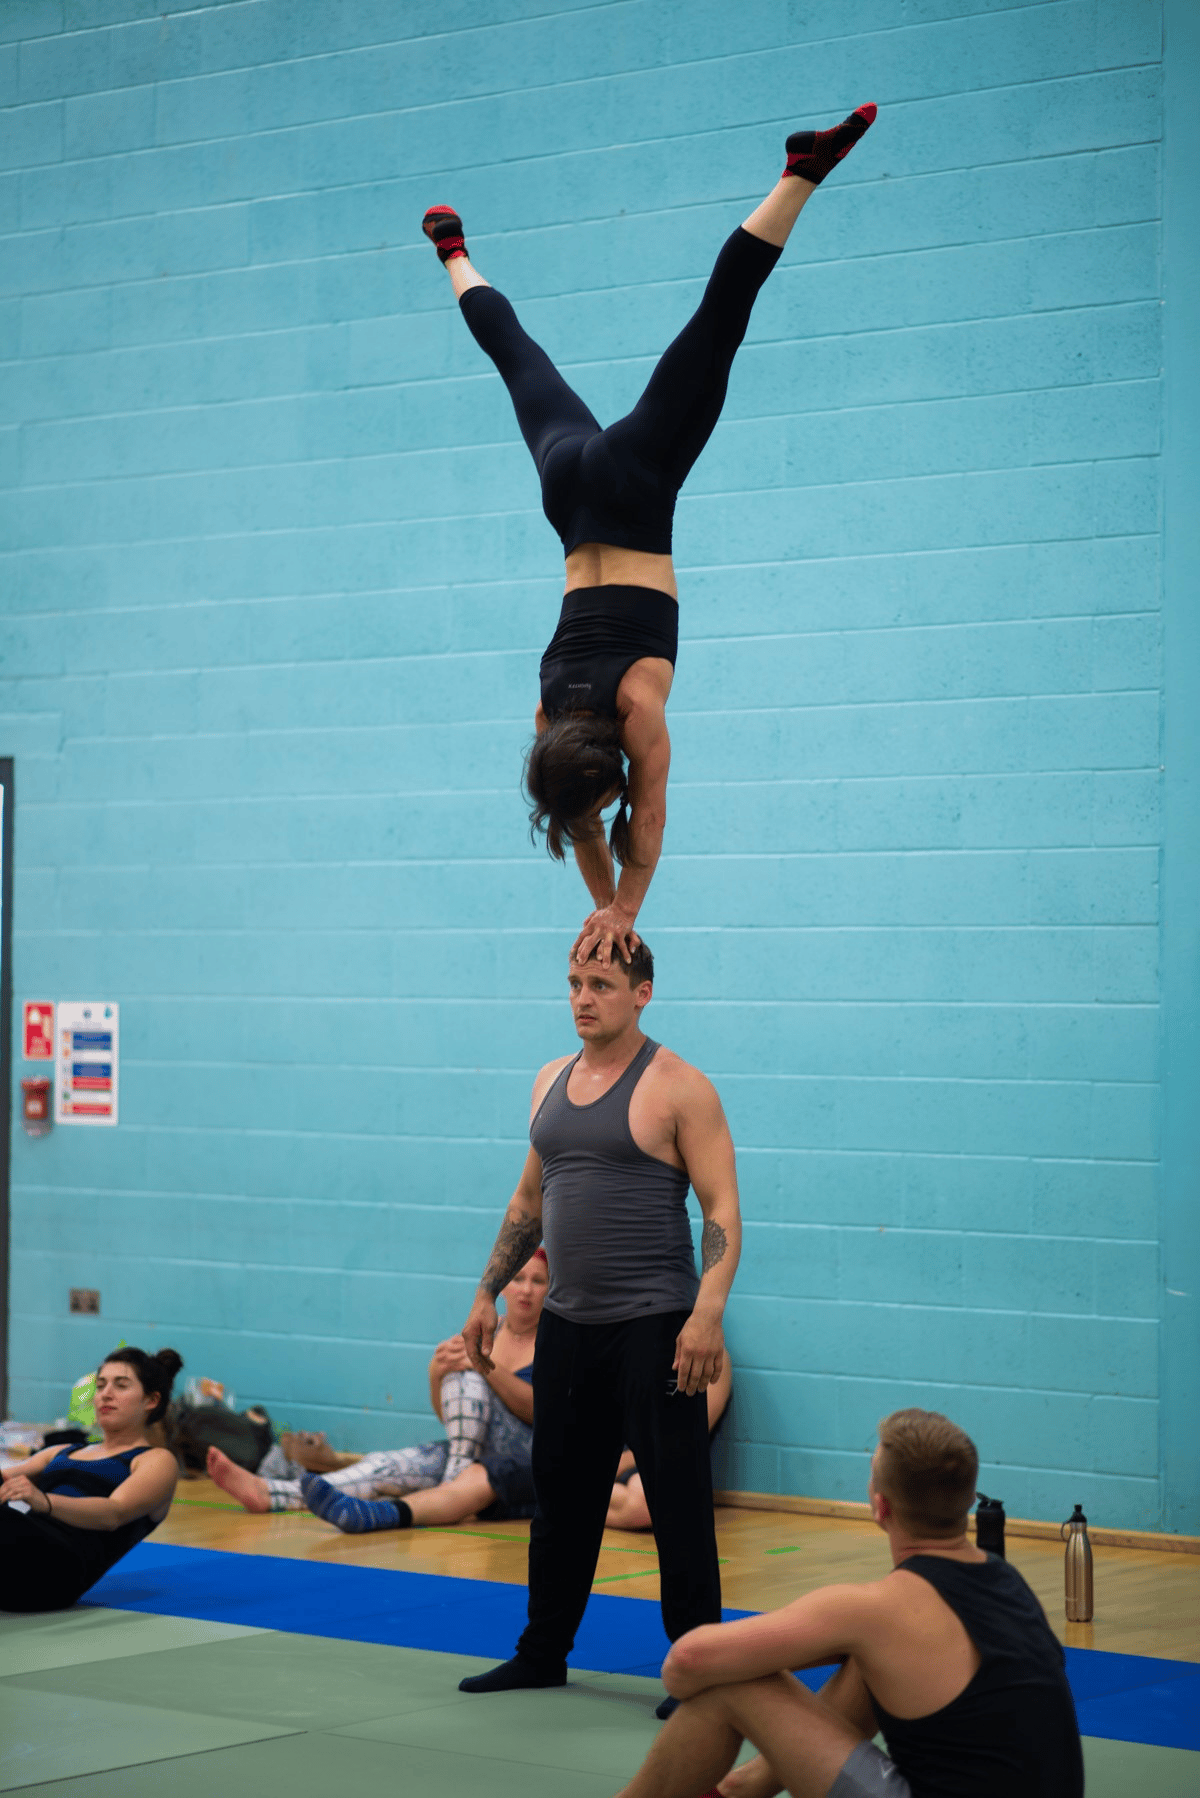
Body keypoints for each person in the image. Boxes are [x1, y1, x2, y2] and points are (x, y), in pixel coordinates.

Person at [422, 105, 877, 967]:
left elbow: (646, 822)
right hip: (568, 494)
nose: (595, 817)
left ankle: (801, 173)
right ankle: (453, 253)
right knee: (517, 361)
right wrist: (604, 910)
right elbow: (580, 816)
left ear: (610, 774)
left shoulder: (638, 709)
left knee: (721, 320)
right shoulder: (549, 719)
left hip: (634, 489)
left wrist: (623, 908)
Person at [456, 938, 742, 1708]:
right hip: (569, 1326)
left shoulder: (680, 1086)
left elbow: (721, 1208)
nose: (583, 998)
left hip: (657, 1326)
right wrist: (487, 1291)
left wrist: (707, 1312)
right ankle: (541, 1652)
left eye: (602, 985)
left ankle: (698, 1671)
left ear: (642, 993)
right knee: (561, 1502)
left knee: (678, 1505)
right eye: (576, 983)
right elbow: (527, 1200)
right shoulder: (549, 1080)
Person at [612, 1409, 1085, 1798]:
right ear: (964, 1503)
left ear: (881, 1506)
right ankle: (739, 1789)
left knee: (732, 1682)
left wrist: (774, 1660)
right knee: (864, 1661)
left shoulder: (876, 1610)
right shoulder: (1008, 1583)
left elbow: (684, 1665)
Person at [205, 1252, 549, 1531]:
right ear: (503, 1287)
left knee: (469, 1378)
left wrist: (487, 1367)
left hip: (526, 1456)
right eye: (518, 1279)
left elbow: (545, 1413)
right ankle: (272, 1492)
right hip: (469, 1452)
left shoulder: (555, 1340)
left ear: (551, 1290)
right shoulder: (487, 1331)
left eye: (538, 1281)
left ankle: (445, 1487)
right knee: (385, 1466)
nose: (526, 1290)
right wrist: (436, 1374)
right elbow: (453, 1419)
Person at [0, 1346, 182, 1613]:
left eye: (121, 1385)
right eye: (101, 1385)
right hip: (15, 1546)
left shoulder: (155, 1460)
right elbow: (6, 1478)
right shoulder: (62, 1451)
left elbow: (114, 1513)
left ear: (151, 1400)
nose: (106, 1394)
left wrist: (45, 1501)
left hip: (54, 1573)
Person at [607, 1354, 733, 1532]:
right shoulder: (624, 1346)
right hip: (621, 1447)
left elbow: (690, 1433)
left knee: (645, 1499)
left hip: (665, 1456)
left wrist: (623, 1462)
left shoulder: (710, 1354)